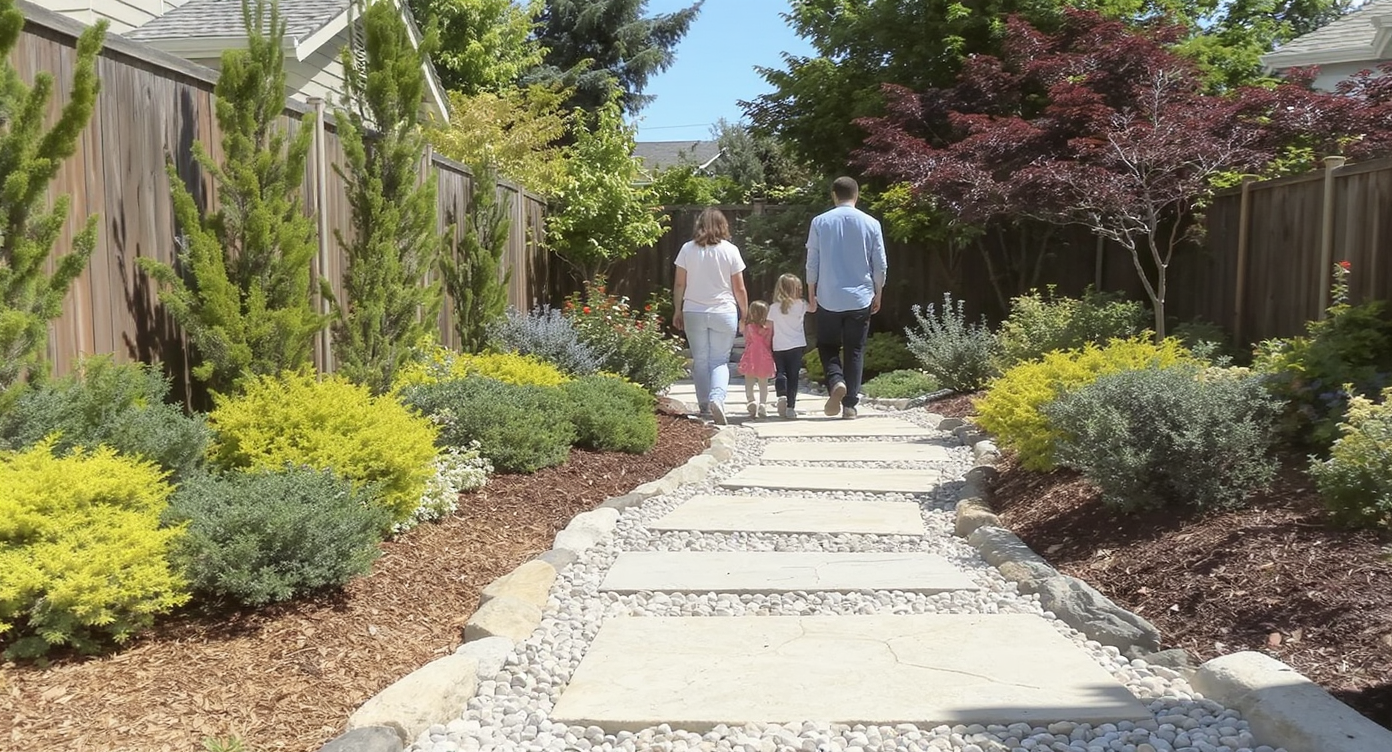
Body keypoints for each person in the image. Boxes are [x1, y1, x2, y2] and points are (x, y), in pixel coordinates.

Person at [806, 176, 887, 420]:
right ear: (857, 194)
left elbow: (813, 261)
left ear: (834, 195)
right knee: (855, 350)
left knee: (827, 345)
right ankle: (850, 405)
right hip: (861, 296)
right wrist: (878, 292)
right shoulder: (871, 223)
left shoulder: (820, 222)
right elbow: (880, 264)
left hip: (829, 296)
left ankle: (836, 381)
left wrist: (811, 293)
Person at [673, 207, 748, 425]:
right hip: (723, 311)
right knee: (719, 361)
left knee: (701, 360)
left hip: (693, 311)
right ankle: (718, 398)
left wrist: (677, 309)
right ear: (723, 225)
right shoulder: (731, 250)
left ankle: (704, 405)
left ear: (699, 225)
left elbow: (680, 283)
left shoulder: (687, 249)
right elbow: (740, 288)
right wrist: (745, 313)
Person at [769, 273, 808, 420]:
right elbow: (814, 308)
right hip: (797, 345)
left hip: (779, 345)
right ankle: (791, 407)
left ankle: (781, 394)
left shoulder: (773, 308)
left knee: (781, 372)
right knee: (793, 377)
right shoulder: (802, 305)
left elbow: (769, 327)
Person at [737, 300, 775, 418]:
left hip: (750, 355)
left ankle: (751, 400)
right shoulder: (769, 326)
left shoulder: (747, 326)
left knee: (749, 381)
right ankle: (763, 403)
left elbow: (740, 331)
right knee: (763, 383)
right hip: (764, 356)